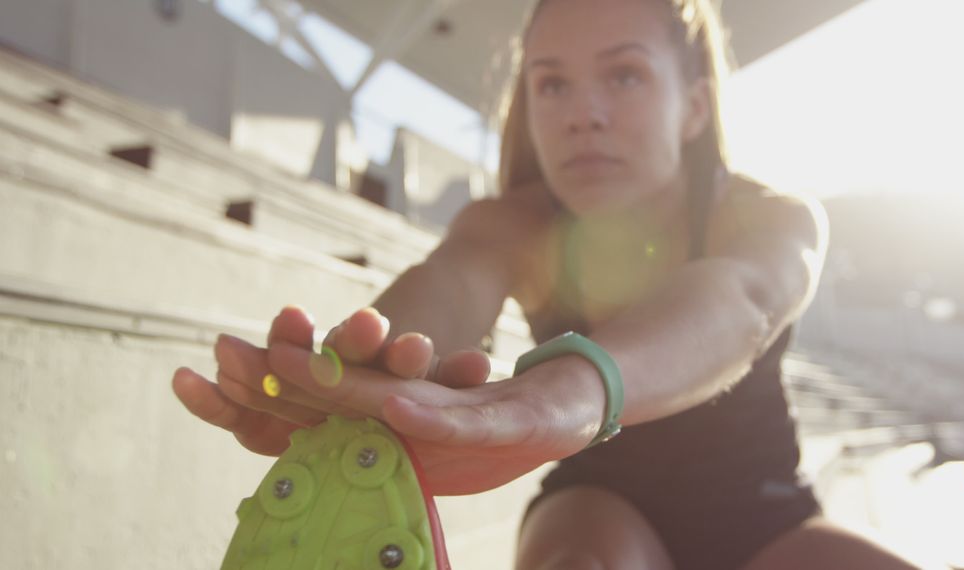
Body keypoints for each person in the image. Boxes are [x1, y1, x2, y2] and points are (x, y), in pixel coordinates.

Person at [173, 0, 920, 567]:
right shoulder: (513, 225)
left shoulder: (773, 217)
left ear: (693, 106)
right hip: (601, 507)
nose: (583, 116)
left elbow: (741, 303)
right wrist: (357, 383)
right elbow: (450, 286)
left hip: (766, 515)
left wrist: (565, 394)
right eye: (552, 84)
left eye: (623, 75)